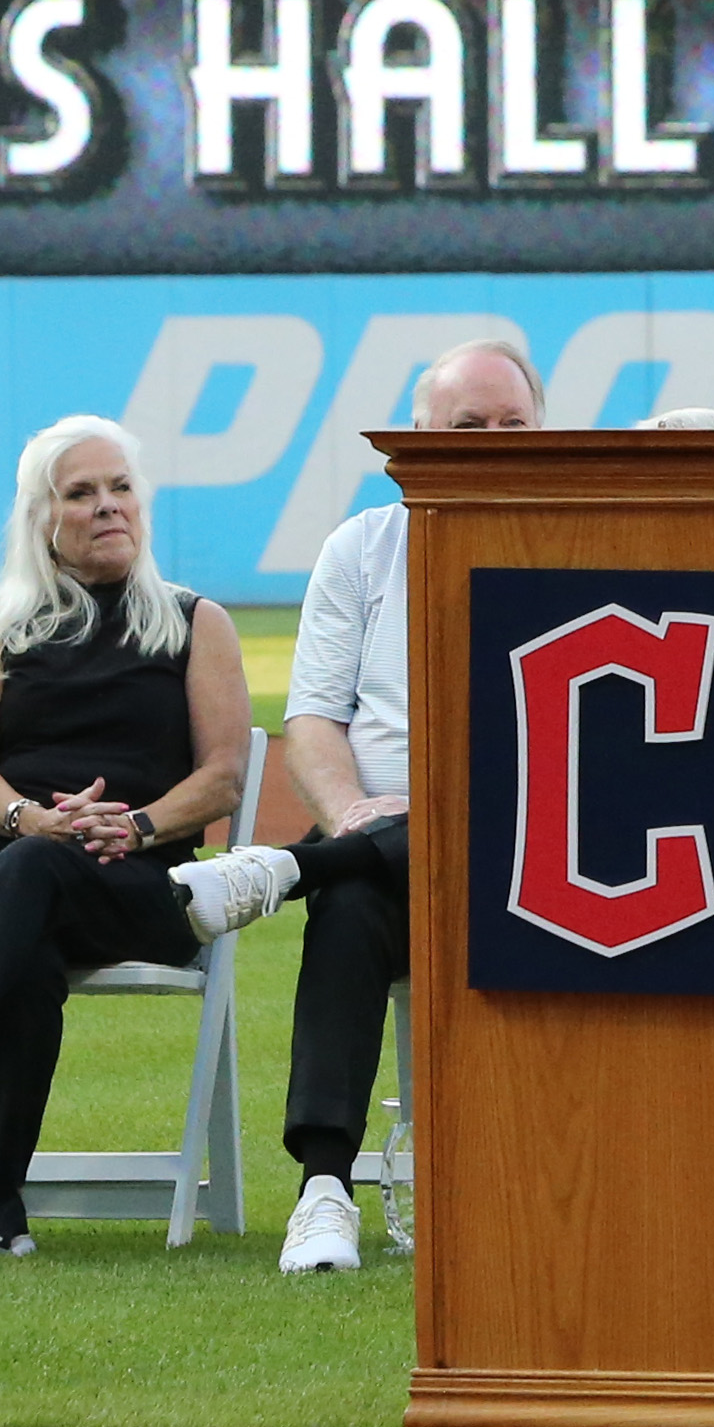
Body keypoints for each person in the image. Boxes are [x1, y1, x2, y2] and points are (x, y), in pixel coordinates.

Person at [0, 417, 249, 1258]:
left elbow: (224, 778)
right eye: (80, 493)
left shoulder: (194, 622)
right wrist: (34, 819)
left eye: (120, 488)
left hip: (142, 886)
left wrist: (133, 827)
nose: (107, 507)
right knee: (22, 924)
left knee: (33, 878)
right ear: (40, 517)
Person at [170, 340, 539, 1275]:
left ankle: (282, 870)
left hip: (544, 855)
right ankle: (324, 1191)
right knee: (354, 903)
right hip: (386, 852)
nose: (490, 444)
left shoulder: (589, 532)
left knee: (371, 866)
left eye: (511, 427)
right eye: (466, 428)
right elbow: (314, 721)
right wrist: (346, 816)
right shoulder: (365, 547)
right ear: (411, 444)